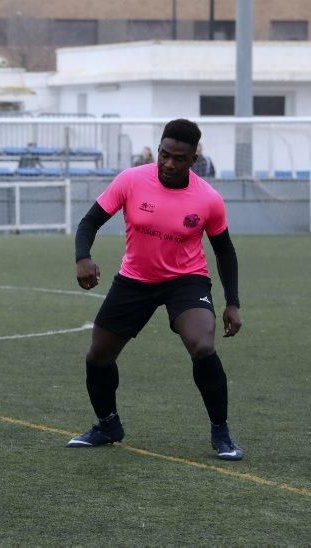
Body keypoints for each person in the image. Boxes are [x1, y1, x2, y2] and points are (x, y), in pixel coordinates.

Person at [68, 118, 243, 461]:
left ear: (194, 159)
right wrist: (83, 258)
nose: (169, 164)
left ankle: (221, 433)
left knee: (202, 346)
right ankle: (107, 425)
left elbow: (224, 250)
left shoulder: (208, 199)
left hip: (186, 279)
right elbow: (89, 222)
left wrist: (233, 302)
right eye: (164, 154)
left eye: (179, 158)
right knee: (98, 356)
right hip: (135, 278)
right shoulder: (132, 180)